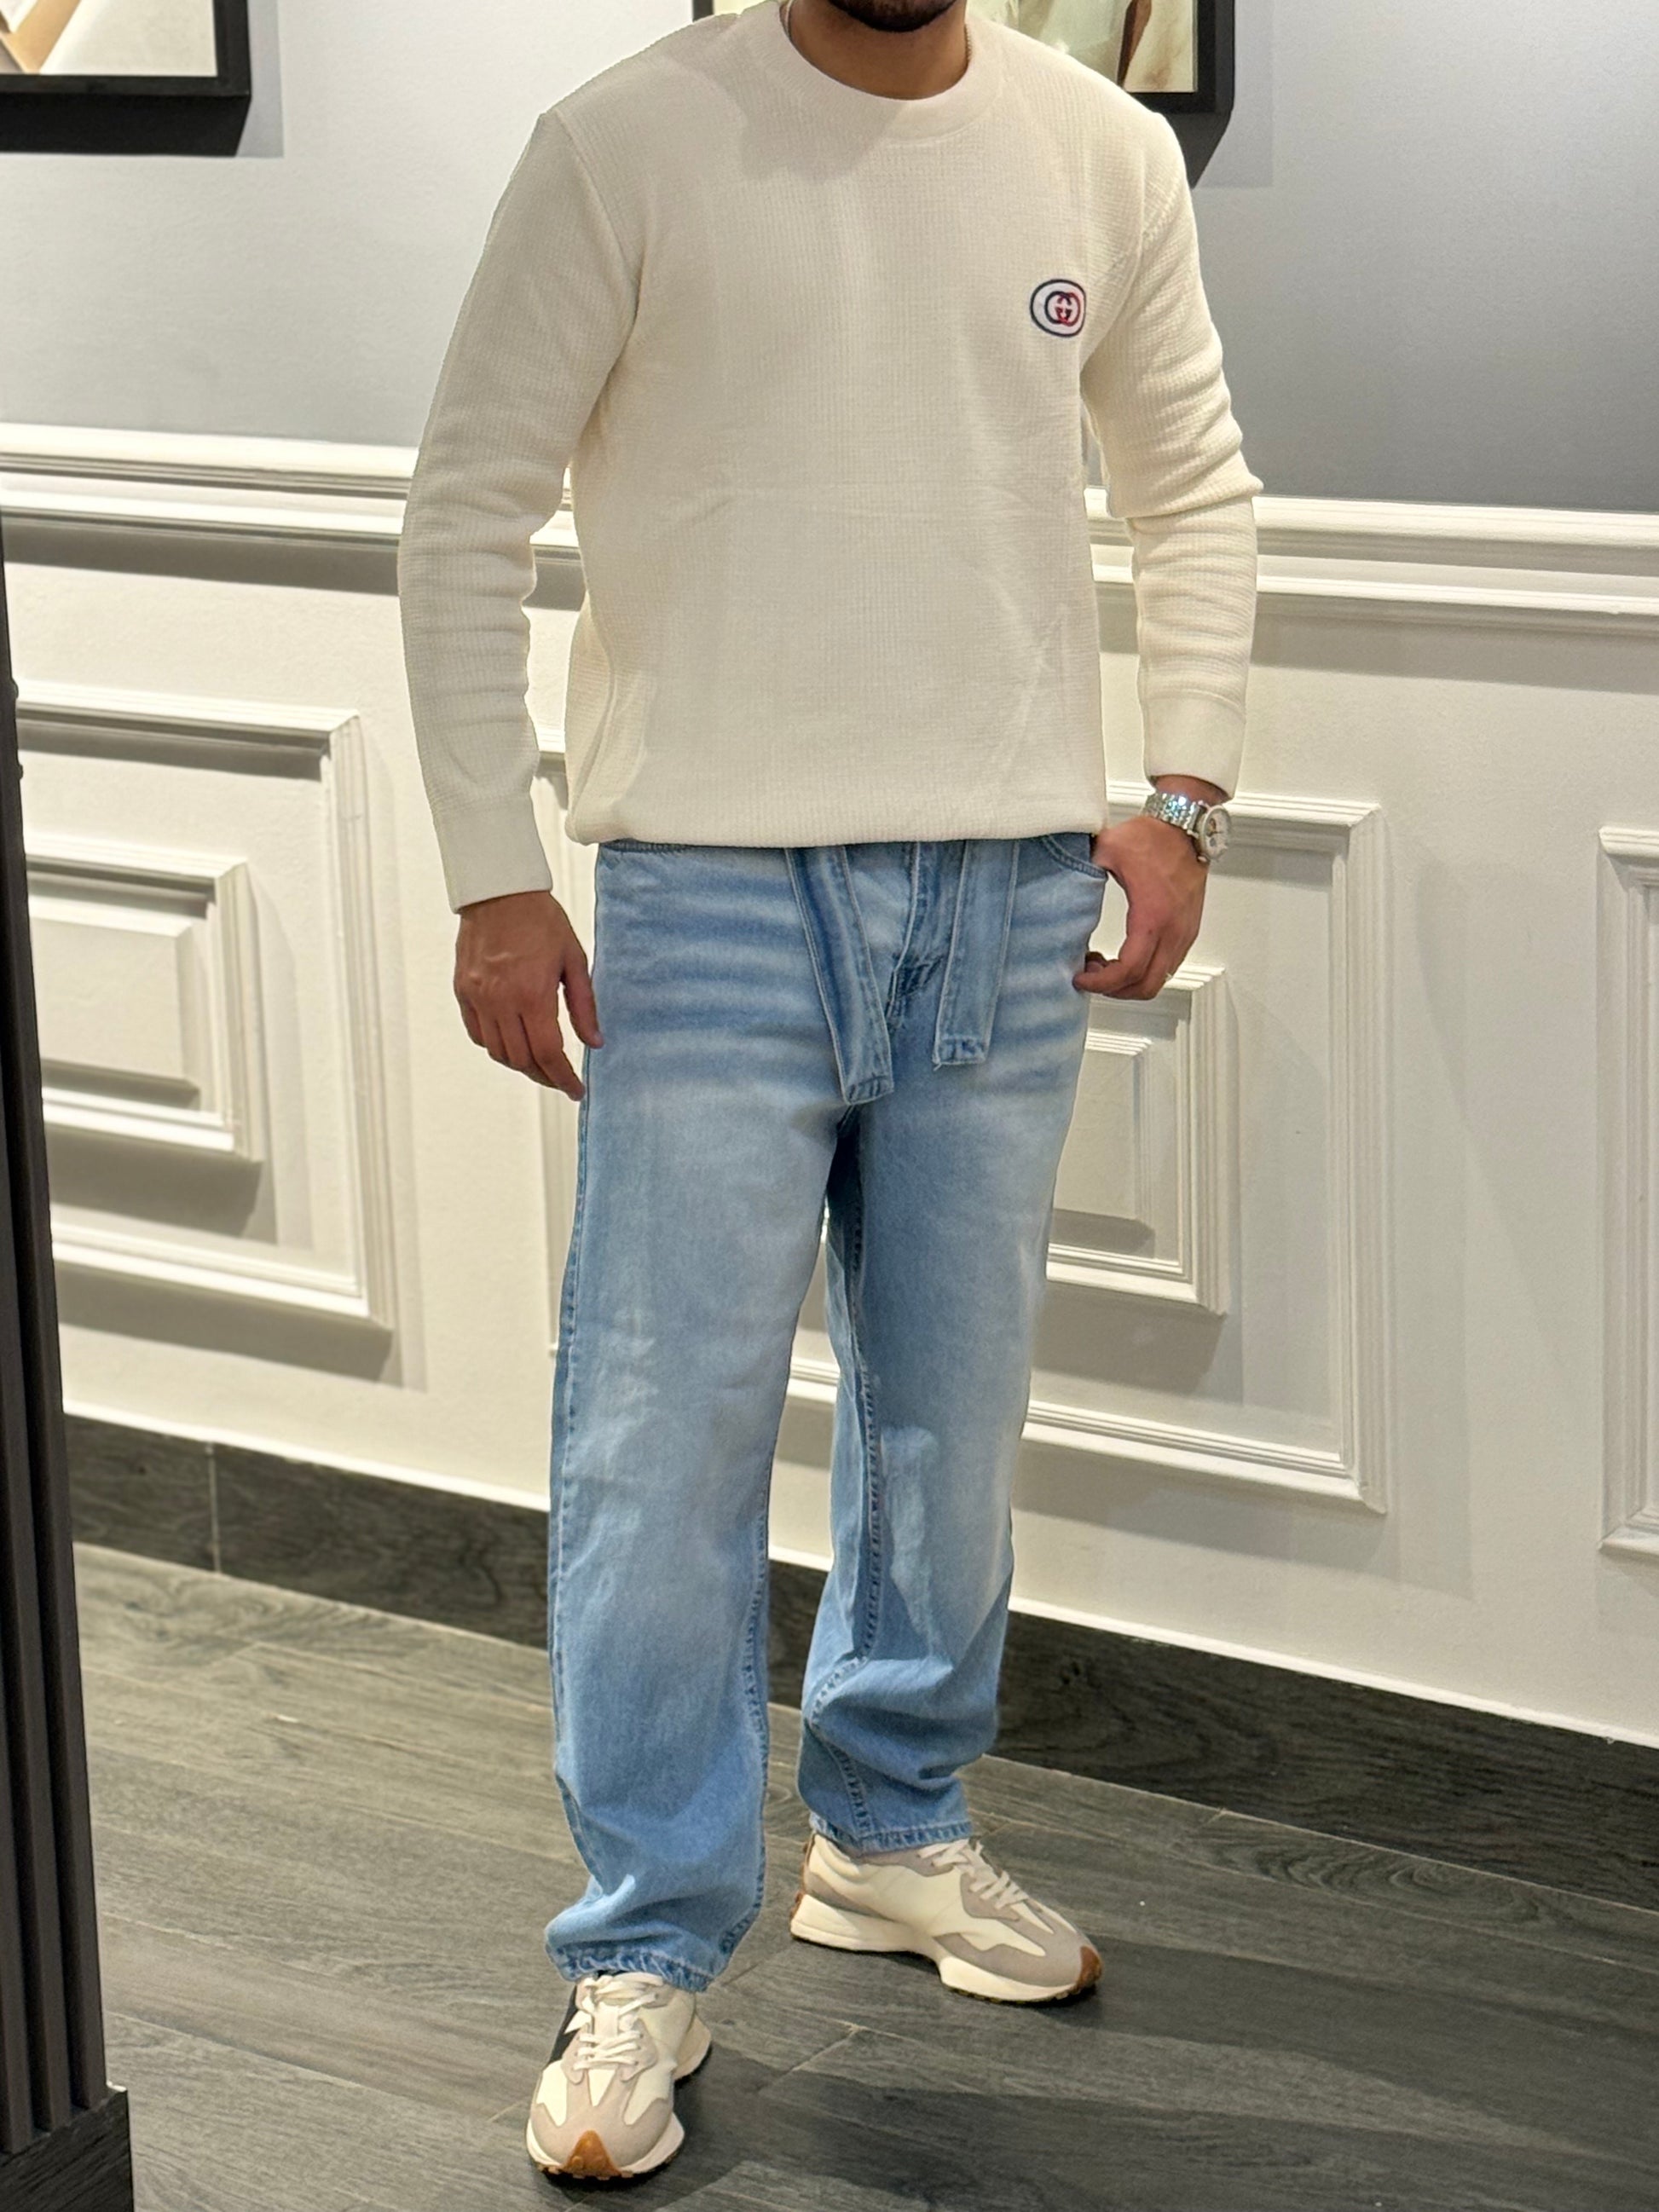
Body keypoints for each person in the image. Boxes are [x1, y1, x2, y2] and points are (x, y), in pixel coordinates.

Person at [397, 0, 1260, 2181]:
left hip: (1009, 880)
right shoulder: (624, 142)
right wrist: (494, 872)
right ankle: (642, 1940)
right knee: (657, 1439)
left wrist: (1184, 793)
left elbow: (1192, 482)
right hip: (706, 888)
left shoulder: (1096, 148)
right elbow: (468, 511)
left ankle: (890, 1828)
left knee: (948, 1416)